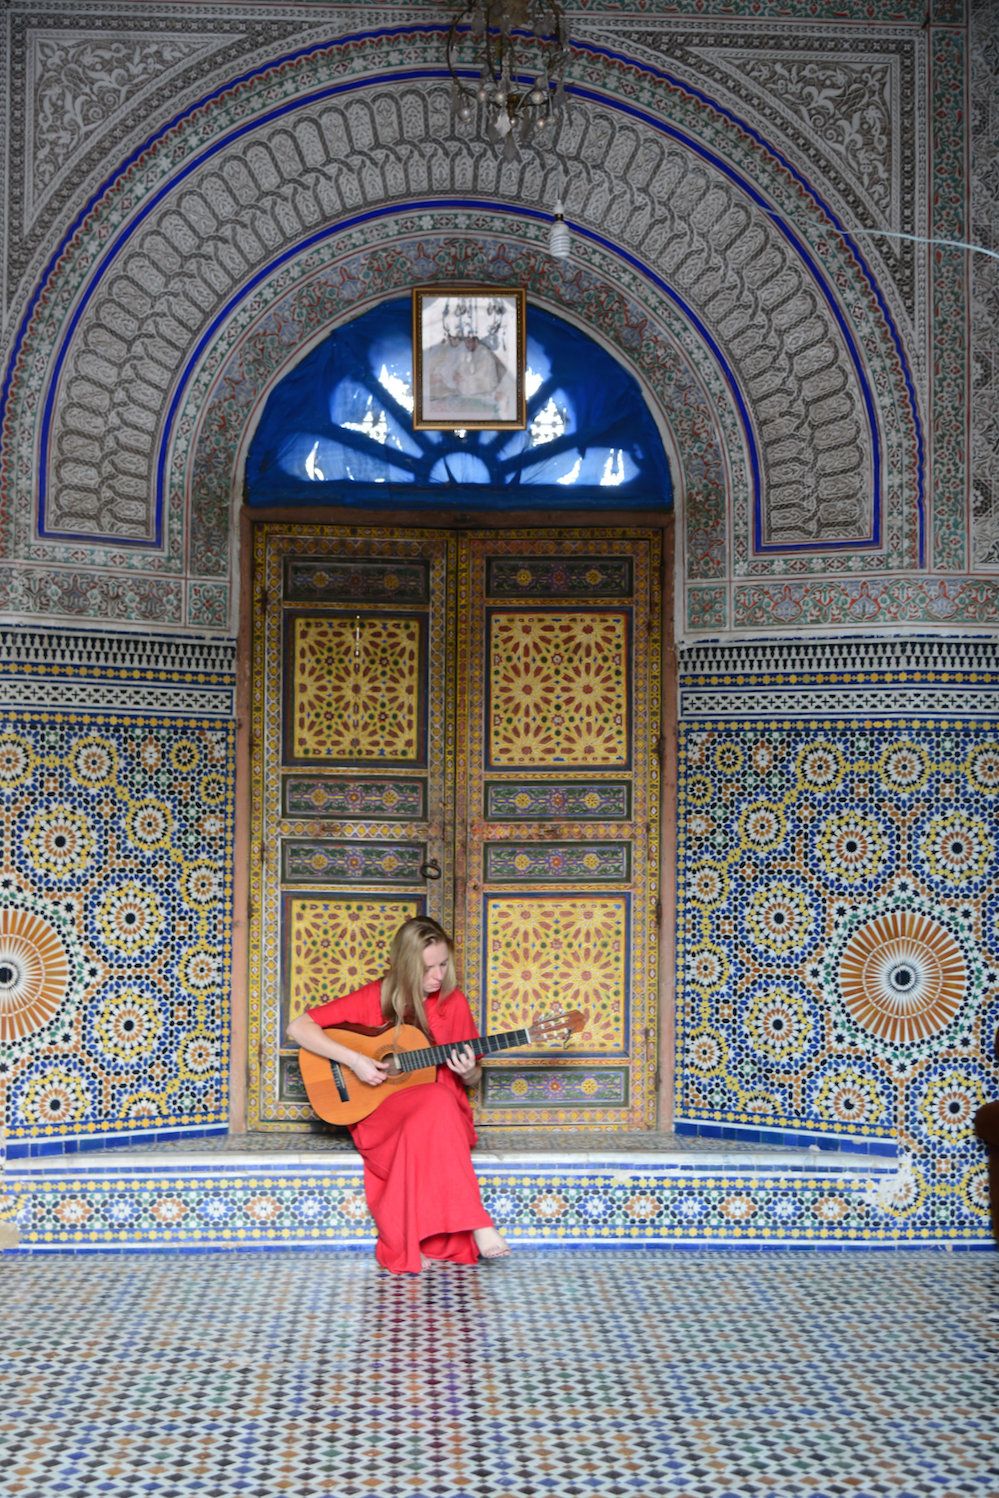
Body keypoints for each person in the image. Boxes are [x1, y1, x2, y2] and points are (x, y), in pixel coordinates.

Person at [287, 915, 511, 1274]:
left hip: (440, 1113)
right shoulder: (375, 997)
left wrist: (468, 1071)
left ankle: (423, 1234)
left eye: (443, 965)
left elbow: (473, 1079)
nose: (438, 976)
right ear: (405, 965)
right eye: (427, 968)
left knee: (439, 1100)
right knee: (436, 1104)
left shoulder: (452, 1003)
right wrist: (356, 1060)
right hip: (378, 1110)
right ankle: (478, 1222)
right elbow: (298, 1028)